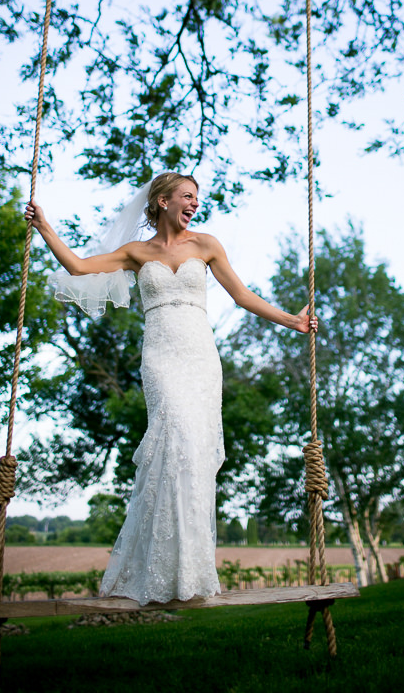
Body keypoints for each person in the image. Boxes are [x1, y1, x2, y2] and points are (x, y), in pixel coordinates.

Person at [25, 171, 316, 605]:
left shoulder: (206, 245)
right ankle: (155, 569)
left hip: (200, 357)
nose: (194, 203)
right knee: (173, 436)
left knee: (193, 453)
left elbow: (241, 295)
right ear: (162, 201)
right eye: (187, 196)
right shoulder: (136, 253)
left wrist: (291, 320)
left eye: (196, 198)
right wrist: (44, 226)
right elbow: (80, 267)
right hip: (161, 356)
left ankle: (189, 571)